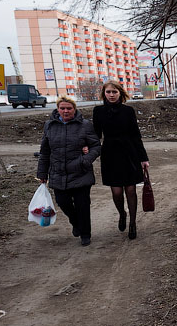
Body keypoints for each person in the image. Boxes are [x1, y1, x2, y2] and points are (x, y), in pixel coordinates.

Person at [36, 96, 101, 246]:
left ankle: (85, 233)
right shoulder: (49, 125)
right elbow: (45, 152)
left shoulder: (84, 125)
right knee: (62, 202)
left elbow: (96, 146)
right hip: (58, 172)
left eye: (69, 108)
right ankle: (76, 223)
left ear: (74, 109)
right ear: (58, 109)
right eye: (62, 108)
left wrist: (85, 160)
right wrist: (42, 173)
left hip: (80, 172)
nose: (66, 111)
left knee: (82, 204)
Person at [92, 81, 150, 240]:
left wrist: (143, 158)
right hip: (110, 153)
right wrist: (87, 147)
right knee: (116, 192)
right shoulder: (98, 111)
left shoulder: (128, 111)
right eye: (108, 92)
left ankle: (133, 223)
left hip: (129, 152)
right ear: (104, 93)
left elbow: (136, 135)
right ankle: (122, 213)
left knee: (131, 190)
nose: (111, 95)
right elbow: (95, 135)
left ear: (120, 93)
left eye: (114, 92)